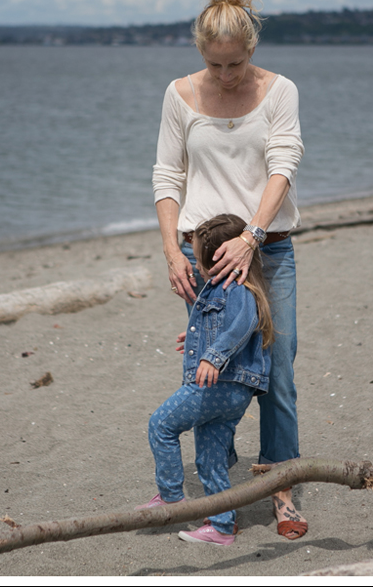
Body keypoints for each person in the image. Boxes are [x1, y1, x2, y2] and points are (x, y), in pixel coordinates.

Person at [151, 0, 307, 540]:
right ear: (201, 53)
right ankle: (220, 486)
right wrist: (172, 253)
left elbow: (283, 164)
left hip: (268, 250)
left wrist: (253, 237)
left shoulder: (280, 91)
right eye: (214, 65)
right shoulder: (179, 95)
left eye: (235, 64)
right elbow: (168, 175)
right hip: (201, 253)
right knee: (210, 368)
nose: (225, 75)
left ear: (251, 49)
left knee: (276, 370)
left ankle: (281, 486)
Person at [137, 214, 274, 545]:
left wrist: (213, 355)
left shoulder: (235, 287)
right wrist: (198, 339)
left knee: (161, 425)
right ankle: (222, 526)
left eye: (198, 259)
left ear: (216, 260)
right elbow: (224, 325)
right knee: (210, 460)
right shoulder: (233, 287)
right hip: (232, 392)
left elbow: (244, 322)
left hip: (220, 385)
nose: (196, 266)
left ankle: (171, 498)